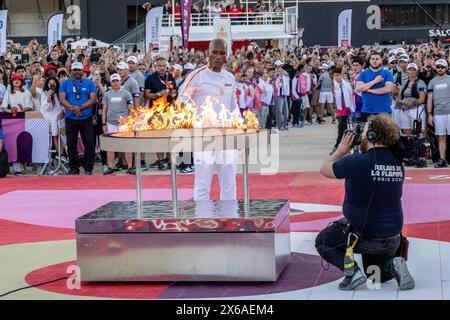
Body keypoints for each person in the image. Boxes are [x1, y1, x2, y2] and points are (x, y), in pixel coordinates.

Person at [316, 114, 415, 291]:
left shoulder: (357, 162)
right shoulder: (397, 164)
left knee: (324, 241)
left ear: (371, 137)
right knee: (375, 275)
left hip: (365, 236)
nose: (361, 134)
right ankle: (394, 263)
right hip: (393, 238)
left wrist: (340, 151)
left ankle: (352, 272)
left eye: (365, 131)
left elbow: (324, 169)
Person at [178, 38, 238, 200]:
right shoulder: (196, 76)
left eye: (222, 53)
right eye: (215, 52)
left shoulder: (229, 78)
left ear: (227, 56)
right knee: (203, 183)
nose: (218, 57)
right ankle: (202, 220)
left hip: (226, 137)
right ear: (207, 54)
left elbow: (233, 106)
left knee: (229, 183)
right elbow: (181, 101)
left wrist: (239, 126)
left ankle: (230, 218)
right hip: (204, 137)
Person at [59, 62, 98, 175]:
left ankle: (88, 168)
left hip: (86, 118)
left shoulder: (90, 83)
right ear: (71, 71)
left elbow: (93, 99)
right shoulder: (65, 83)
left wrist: (80, 107)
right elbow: (62, 98)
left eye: (79, 70)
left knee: (89, 144)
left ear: (83, 71)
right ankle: (74, 168)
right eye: (75, 70)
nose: (77, 72)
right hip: (71, 118)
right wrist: (73, 109)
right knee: (71, 144)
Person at [144, 57, 177, 171]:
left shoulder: (170, 77)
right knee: (159, 137)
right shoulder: (150, 78)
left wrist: (173, 98)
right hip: (156, 111)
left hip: (169, 111)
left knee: (170, 136)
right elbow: (147, 95)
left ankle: (168, 160)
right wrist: (159, 94)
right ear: (156, 66)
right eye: (160, 66)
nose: (162, 68)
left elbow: (175, 94)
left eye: (163, 66)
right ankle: (161, 160)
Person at [102, 73, 134, 175]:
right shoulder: (107, 94)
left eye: (117, 81)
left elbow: (131, 109)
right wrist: (103, 124)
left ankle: (130, 167)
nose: (115, 83)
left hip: (124, 123)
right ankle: (110, 167)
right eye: (113, 81)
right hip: (111, 123)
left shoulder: (126, 93)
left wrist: (129, 121)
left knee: (127, 146)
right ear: (110, 82)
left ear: (120, 81)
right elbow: (104, 110)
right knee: (110, 146)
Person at [1, 74, 33, 175]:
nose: (16, 81)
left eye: (19, 79)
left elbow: (30, 106)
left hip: (23, 118)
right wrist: (10, 110)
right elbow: (4, 106)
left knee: (23, 142)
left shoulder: (26, 92)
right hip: (11, 119)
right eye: (14, 79)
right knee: (12, 142)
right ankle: (15, 167)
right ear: (11, 82)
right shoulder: (8, 92)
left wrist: (23, 109)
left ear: (22, 82)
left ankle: (21, 166)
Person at [356, 52, 395, 121]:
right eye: (373, 59)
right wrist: (374, 81)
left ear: (381, 61)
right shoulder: (363, 74)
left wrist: (369, 90)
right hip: (367, 110)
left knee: (384, 132)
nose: (374, 61)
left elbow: (388, 89)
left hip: (384, 110)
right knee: (367, 131)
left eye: (377, 59)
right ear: (369, 60)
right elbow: (358, 88)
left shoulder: (387, 73)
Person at [427, 59, 450, 168]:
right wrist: (429, 114)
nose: (440, 69)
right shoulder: (432, 82)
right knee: (441, 137)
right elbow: (429, 98)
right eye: (438, 66)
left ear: (446, 68)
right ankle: (442, 159)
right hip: (438, 113)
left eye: (442, 67)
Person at [40, 77, 67, 162]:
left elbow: (61, 105)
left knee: (63, 136)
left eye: (53, 83)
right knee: (55, 135)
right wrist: (49, 96)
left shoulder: (59, 93)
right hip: (50, 118)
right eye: (50, 83)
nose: (52, 85)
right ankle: (60, 154)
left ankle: (63, 154)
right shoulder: (44, 93)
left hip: (60, 117)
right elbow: (47, 108)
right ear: (47, 84)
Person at [330, 67, 353, 155]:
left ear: (341, 75)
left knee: (342, 129)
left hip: (346, 110)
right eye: (334, 75)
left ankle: (337, 146)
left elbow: (350, 96)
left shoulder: (346, 84)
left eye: (337, 75)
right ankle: (343, 147)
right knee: (342, 129)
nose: (336, 77)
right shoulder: (335, 85)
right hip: (340, 110)